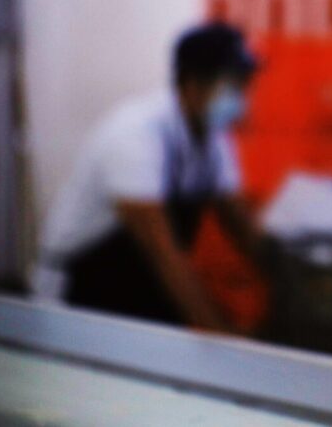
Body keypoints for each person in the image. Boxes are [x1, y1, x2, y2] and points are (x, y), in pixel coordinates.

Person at [32, 23, 265, 331]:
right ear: (192, 85)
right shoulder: (136, 134)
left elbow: (242, 228)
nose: (241, 97)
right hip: (81, 295)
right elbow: (164, 256)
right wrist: (226, 343)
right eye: (232, 86)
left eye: (244, 86)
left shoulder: (214, 140)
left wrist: (293, 282)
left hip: (142, 291)